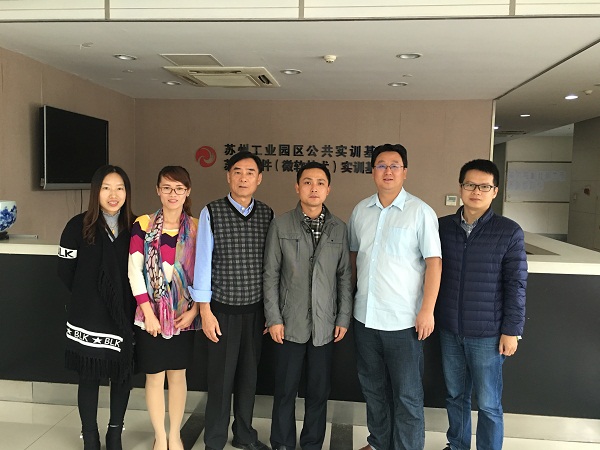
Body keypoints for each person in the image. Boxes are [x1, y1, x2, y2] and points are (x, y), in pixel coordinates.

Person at [348, 143, 442, 450]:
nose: (387, 171)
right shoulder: (360, 211)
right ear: (372, 171)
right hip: (365, 318)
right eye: (381, 165)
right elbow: (353, 259)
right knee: (373, 390)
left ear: (405, 172)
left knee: (407, 395)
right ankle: (378, 443)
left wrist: (427, 310)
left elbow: (434, 263)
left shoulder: (420, 212)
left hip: (404, 322)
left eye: (394, 165)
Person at [436, 159, 527, 450]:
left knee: (488, 403)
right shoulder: (441, 227)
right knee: (455, 396)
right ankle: (457, 445)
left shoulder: (509, 231)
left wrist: (512, 330)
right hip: (449, 329)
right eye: (470, 185)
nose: (476, 191)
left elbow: (516, 284)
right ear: (460, 187)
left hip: (488, 334)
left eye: (484, 186)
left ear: (495, 191)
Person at [263, 162, 353, 450]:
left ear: (328, 189)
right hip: (289, 322)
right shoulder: (281, 225)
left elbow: (344, 276)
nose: (314, 188)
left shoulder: (339, 228)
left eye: (320, 183)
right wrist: (273, 317)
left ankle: (312, 444)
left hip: (325, 325)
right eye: (307, 182)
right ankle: (282, 443)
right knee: (285, 390)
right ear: (297, 187)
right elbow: (270, 274)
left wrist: (343, 317)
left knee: (318, 391)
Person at [189, 151, 273, 450]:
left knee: (249, 379)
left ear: (259, 179)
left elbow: (271, 266)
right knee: (221, 381)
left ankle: (244, 435)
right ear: (228, 176)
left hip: (255, 312)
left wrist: (270, 311)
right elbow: (202, 264)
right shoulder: (212, 211)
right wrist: (205, 312)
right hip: (221, 312)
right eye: (237, 171)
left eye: (250, 172)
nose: (243, 178)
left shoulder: (266, 214)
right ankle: (214, 439)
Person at [57, 165, 135, 450]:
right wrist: (89, 296)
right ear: (96, 192)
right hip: (88, 315)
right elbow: (65, 271)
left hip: (124, 315)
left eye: (119, 188)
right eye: (106, 188)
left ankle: (115, 435)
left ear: (127, 192)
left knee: (121, 376)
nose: (113, 195)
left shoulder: (136, 227)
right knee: (89, 376)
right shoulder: (77, 226)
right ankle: (90, 436)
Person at [128, 166, 200, 450]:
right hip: (150, 316)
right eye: (167, 188)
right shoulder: (143, 224)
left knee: (178, 376)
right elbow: (134, 270)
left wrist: (194, 311)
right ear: (158, 190)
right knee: (155, 376)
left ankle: (175, 435)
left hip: (184, 315)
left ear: (187, 192)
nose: (173, 194)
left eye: (179, 188)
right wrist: (148, 314)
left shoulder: (197, 228)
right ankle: (160, 435)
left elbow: (205, 273)